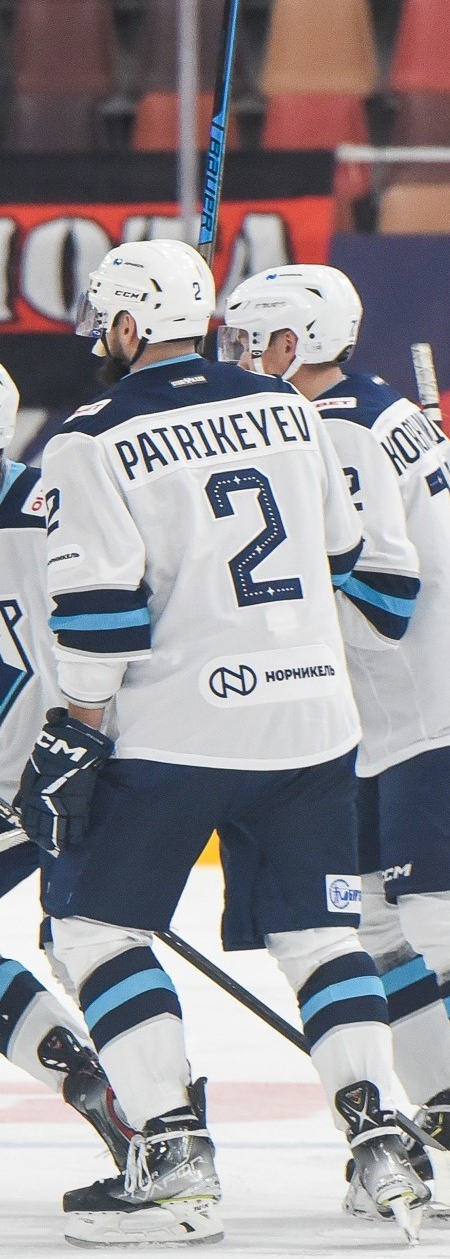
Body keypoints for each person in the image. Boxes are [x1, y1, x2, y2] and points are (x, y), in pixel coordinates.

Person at [15, 239, 429, 1248]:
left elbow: (101, 615)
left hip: (178, 727)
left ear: (126, 325)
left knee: (95, 928)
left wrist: (77, 730)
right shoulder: (288, 407)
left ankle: (172, 1157)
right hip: (314, 721)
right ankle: (383, 1146)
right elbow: (342, 553)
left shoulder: (91, 435)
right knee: (322, 936)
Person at [221, 263, 450, 1215]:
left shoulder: (336, 426)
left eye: (250, 342)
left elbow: (384, 598)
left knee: (433, 929)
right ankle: (442, 1105)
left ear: (298, 342)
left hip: (423, 708)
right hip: (390, 718)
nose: (237, 358)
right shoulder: (369, 409)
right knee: (376, 927)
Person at [0, 364, 134, 1174]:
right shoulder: (64, 502)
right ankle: (138, 1097)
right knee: (90, 943)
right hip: (87, 763)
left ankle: (104, 1083)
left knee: (89, 941)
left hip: (37, 782)